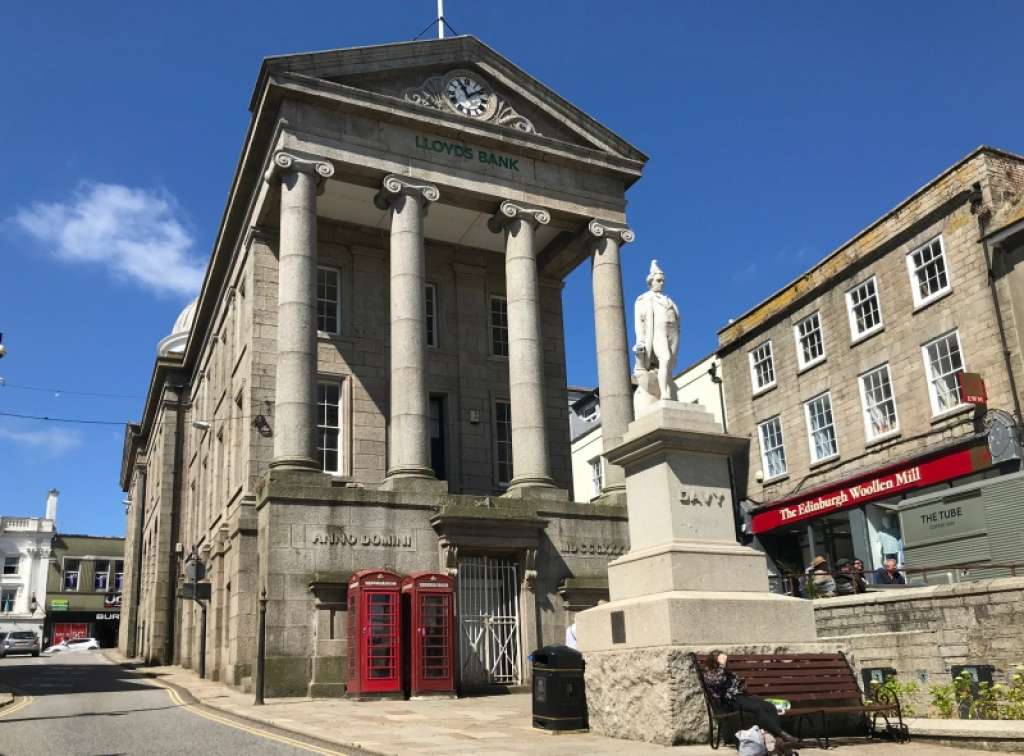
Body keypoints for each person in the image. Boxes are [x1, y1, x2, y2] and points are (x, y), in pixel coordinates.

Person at [701, 651, 798, 753]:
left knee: (769, 706)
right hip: (730, 701)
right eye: (721, 660)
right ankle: (783, 735)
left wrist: (741, 684)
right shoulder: (709, 673)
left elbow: (734, 681)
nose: (725, 662)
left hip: (740, 697)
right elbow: (718, 681)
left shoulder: (724, 670)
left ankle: (779, 740)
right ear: (714, 661)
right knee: (757, 709)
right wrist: (722, 665)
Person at [633, 260, 680, 403]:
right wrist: (640, 341)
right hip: (657, 332)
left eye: (662, 280)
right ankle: (664, 393)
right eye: (659, 280)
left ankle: (666, 388)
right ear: (651, 281)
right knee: (664, 359)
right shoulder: (644, 299)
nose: (661, 283)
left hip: (672, 332)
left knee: (669, 363)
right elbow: (639, 324)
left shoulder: (669, 300)